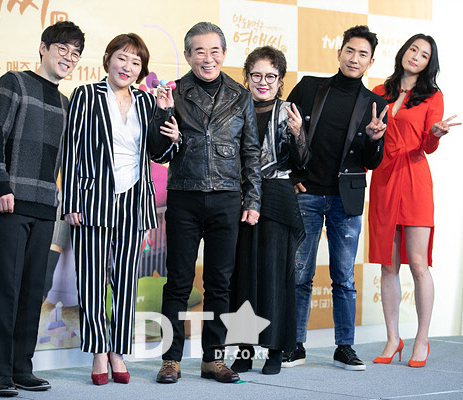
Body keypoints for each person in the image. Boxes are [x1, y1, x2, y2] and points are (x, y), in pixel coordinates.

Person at [149, 21, 261, 384]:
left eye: (214, 51)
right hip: (184, 196)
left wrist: (253, 198)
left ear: (224, 54)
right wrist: (163, 115)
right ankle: (171, 360)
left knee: (219, 284)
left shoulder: (240, 96)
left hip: (227, 198)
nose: (207, 58)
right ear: (187, 55)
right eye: (199, 51)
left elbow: (251, 152)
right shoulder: (173, 92)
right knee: (178, 282)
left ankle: (214, 359)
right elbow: (157, 152)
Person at [62, 33, 173, 385]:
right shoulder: (85, 95)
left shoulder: (146, 101)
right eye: (122, 58)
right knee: (92, 279)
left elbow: (159, 153)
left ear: (142, 69)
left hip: (134, 200)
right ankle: (99, 350)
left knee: (125, 280)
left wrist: (166, 115)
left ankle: (118, 350)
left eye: (136, 62)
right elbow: (71, 150)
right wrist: (71, 201)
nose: (128, 67)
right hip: (93, 198)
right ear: (109, 59)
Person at [0, 21, 84, 396]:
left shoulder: (66, 103)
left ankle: (22, 368)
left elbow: (69, 161)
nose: (68, 58)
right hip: (10, 202)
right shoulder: (13, 83)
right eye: (62, 49)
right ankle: (0, 374)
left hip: (45, 208)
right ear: (44, 48)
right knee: (6, 289)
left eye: (75, 54)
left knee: (32, 292)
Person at [284, 25, 388, 371]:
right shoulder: (309, 87)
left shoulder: (376, 104)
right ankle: (295, 345)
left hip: (347, 200)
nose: (354, 58)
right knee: (300, 274)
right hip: (308, 194)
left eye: (363, 54)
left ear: (370, 62)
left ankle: (344, 347)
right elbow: (284, 135)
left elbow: (373, 161)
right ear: (339, 52)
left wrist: (373, 139)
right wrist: (293, 177)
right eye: (350, 51)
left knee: (344, 277)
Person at [369, 34, 460, 368]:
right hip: (383, 180)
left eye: (424, 55)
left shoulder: (433, 96)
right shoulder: (379, 91)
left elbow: (427, 145)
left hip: (414, 179)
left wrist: (435, 134)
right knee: (388, 265)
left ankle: (422, 339)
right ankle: (393, 339)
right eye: (413, 50)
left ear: (428, 64)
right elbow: (370, 139)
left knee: (419, 265)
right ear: (403, 52)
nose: (416, 57)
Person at [228, 46, 309, 375]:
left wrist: (298, 134)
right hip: (240, 200)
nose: (263, 82)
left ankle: (276, 350)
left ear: (280, 80)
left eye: (270, 76)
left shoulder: (289, 112)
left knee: (276, 278)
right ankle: (245, 350)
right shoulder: (234, 108)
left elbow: (303, 163)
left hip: (276, 198)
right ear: (247, 78)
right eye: (257, 75)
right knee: (243, 277)